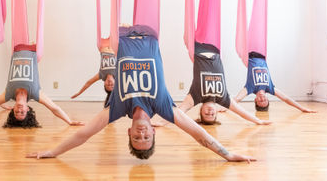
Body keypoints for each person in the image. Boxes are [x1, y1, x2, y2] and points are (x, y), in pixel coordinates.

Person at [26, 26, 254, 162]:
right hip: (148, 31)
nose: (142, 134)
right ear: (154, 132)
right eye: (146, 138)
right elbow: (200, 135)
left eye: (137, 138)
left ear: (129, 132)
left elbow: (83, 135)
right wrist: (228, 154)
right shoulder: (164, 107)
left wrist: (53, 152)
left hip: (123, 34)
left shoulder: (117, 108)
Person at [0, 44, 83, 127]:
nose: (19, 110)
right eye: (22, 113)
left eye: (16, 112)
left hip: (17, 47)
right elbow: (54, 108)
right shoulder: (35, 93)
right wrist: (69, 121)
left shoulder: (8, 93)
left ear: (13, 110)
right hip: (34, 49)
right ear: (27, 109)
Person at [177, 42, 271, 125]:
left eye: (206, 114)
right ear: (216, 113)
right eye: (212, 114)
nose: (210, 112)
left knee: (186, 38)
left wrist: (163, 121)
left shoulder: (194, 98)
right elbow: (241, 112)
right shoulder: (223, 99)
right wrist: (258, 121)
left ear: (200, 111)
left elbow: (178, 112)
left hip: (198, 50)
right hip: (215, 49)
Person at [234, 51, 316, 113]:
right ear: (267, 99)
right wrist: (302, 108)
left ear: (255, 100)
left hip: (250, 55)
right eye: (265, 100)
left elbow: (237, 99)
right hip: (262, 56)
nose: (262, 98)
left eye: (260, 101)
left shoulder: (250, 88)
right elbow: (286, 99)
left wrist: (225, 107)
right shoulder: (270, 88)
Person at [71, 39, 116, 107]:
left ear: (104, 84)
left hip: (104, 46)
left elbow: (88, 83)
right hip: (114, 46)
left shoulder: (101, 75)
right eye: (112, 85)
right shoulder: (118, 74)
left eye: (107, 85)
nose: (109, 83)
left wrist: (79, 93)